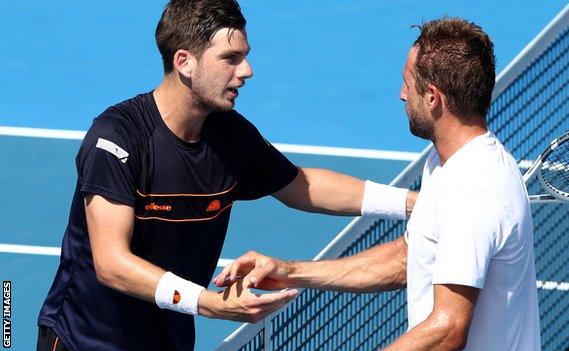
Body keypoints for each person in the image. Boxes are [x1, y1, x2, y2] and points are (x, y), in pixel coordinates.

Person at [36, 1, 416, 350]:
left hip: (169, 340)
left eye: (245, 57)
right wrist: (208, 304)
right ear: (185, 62)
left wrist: (416, 204)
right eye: (231, 58)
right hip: (85, 342)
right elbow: (112, 264)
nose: (247, 71)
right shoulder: (117, 139)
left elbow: (302, 186)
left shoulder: (229, 135)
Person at [215, 18, 541, 350]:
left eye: (407, 83)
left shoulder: (472, 192)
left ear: (432, 97)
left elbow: (449, 329)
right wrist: (291, 270)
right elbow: (405, 260)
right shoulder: (445, 165)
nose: (401, 95)